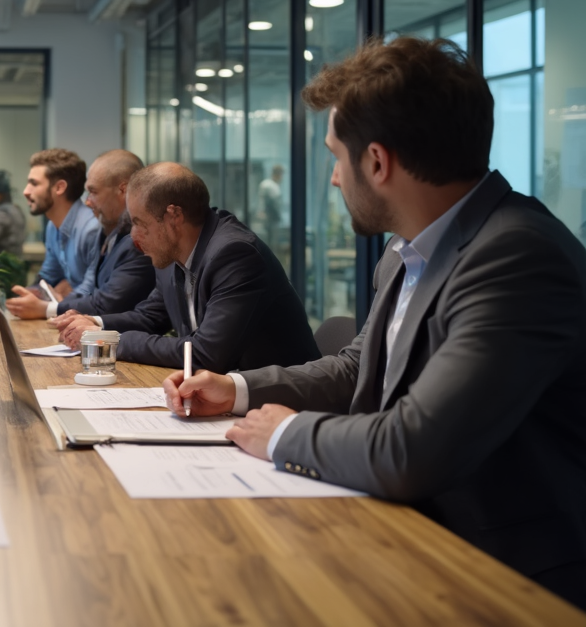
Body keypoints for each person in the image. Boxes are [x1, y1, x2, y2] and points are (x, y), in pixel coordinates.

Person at [165, 37, 586, 609]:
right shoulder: (410, 247)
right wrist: (236, 389)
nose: (335, 180)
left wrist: (283, 434)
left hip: (501, 574)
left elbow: (412, 449)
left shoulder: (516, 257)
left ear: (378, 162)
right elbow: (359, 365)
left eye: (336, 157)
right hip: (402, 529)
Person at [57, 162, 319, 371]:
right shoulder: (172, 252)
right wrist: (96, 324)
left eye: (140, 224)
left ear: (174, 217)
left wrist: (110, 339)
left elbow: (206, 354)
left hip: (277, 407)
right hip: (219, 398)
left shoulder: (235, 255)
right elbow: (150, 317)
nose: (134, 237)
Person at [6, 150, 154, 319]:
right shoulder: (57, 228)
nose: (88, 201)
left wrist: (52, 306)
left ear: (123, 190)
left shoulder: (101, 230)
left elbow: (100, 298)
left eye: (94, 192)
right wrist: (33, 297)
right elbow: (51, 277)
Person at [23, 148, 101, 297]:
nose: (26, 191)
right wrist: (24, 296)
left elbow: (92, 290)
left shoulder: (91, 229)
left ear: (59, 187)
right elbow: (49, 275)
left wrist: (56, 304)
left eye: (34, 184)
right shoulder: (52, 226)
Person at [258, 164, 284, 249]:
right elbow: (264, 201)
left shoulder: (273, 186)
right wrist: (262, 211)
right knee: (269, 242)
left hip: (273, 218)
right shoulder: (269, 185)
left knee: (272, 242)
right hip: (269, 217)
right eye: (281, 174)